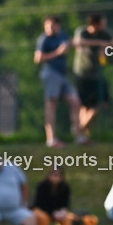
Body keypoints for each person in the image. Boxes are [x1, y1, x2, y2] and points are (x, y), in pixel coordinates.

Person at [72, 14, 113, 141]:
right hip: (82, 73)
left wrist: (107, 45)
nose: (105, 26)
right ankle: (84, 136)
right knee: (85, 105)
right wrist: (99, 43)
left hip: (96, 74)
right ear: (95, 24)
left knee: (103, 103)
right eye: (103, 23)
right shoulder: (83, 31)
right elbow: (77, 42)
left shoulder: (104, 33)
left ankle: (80, 130)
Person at [33, 16, 81, 148]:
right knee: (51, 105)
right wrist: (57, 53)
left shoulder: (63, 35)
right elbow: (38, 58)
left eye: (51, 25)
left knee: (75, 102)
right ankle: (51, 139)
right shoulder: (44, 39)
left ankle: (79, 136)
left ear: (58, 25)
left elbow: (71, 43)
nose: (49, 28)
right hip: (51, 73)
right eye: (46, 26)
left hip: (63, 75)